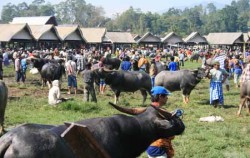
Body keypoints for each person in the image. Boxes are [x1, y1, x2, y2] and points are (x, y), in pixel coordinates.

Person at [146, 86, 174, 158]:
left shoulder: (148, 109)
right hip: (159, 146)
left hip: (150, 145)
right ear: (160, 96)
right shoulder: (159, 111)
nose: (167, 98)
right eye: (166, 96)